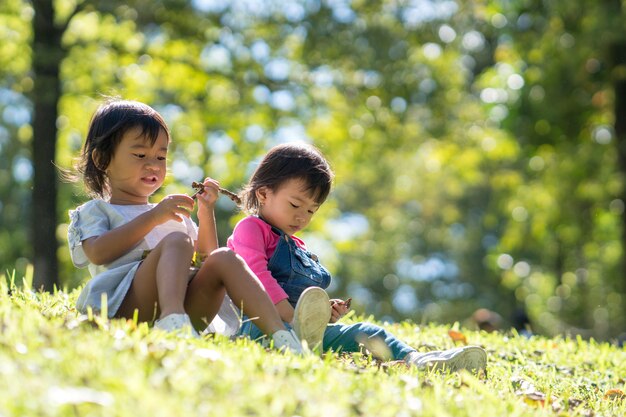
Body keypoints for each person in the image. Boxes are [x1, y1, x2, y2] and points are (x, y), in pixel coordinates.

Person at [66, 98, 303, 353]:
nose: (153, 165)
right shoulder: (97, 210)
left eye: (161, 156)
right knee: (178, 241)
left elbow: (207, 260)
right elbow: (98, 253)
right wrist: (154, 217)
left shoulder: (171, 215)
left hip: (190, 308)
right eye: (140, 155)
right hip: (123, 308)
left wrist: (205, 211)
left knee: (225, 257)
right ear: (102, 159)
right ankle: (172, 318)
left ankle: (282, 336)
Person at [227, 142, 488, 372]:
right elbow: (255, 276)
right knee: (300, 335)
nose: (302, 217)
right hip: (262, 328)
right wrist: (292, 316)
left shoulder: (297, 246)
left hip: (301, 332)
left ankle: (417, 360)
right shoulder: (251, 229)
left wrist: (321, 313)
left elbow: (300, 296)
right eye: (295, 205)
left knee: (369, 333)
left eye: (311, 211)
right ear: (263, 193)